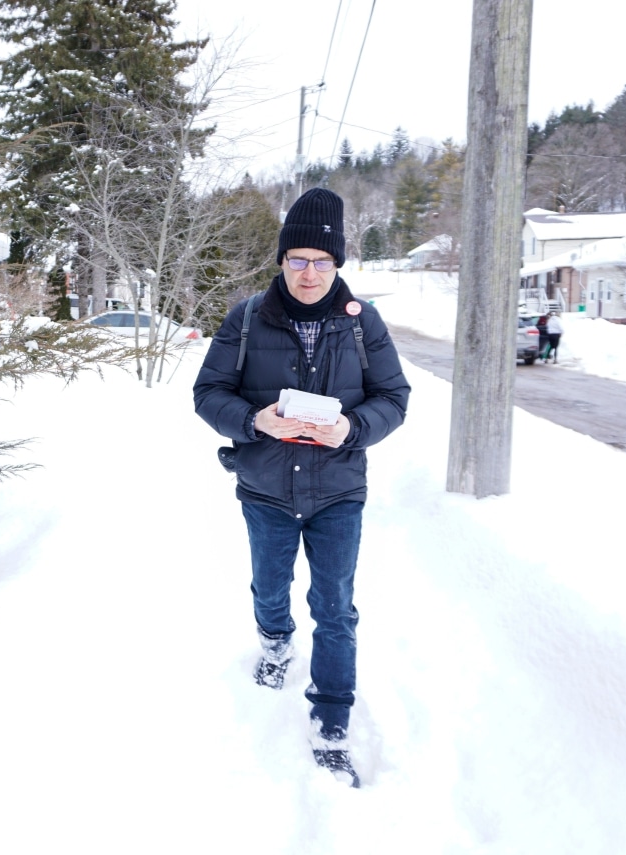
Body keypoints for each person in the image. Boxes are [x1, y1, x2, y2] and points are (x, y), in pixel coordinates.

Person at [193, 188, 410, 787]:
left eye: (322, 262)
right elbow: (207, 393)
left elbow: (396, 399)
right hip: (264, 486)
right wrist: (254, 419)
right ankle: (274, 641)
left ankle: (331, 718)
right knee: (270, 587)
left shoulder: (362, 325)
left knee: (335, 607)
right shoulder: (244, 319)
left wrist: (352, 428)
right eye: (298, 260)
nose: (309, 273)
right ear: (281, 261)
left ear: (338, 265)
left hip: (338, 491)